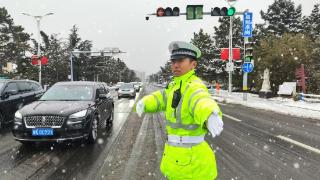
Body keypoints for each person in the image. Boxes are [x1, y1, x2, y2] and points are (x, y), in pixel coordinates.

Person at [136, 41, 223, 179]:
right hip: (178, 159)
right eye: (173, 61)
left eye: (181, 61)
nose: (175, 65)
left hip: (192, 164)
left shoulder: (193, 86)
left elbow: (200, 100)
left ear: (193, 64)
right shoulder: (174, 86)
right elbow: (161, 98)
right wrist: (145, 102)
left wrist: (209, 113)